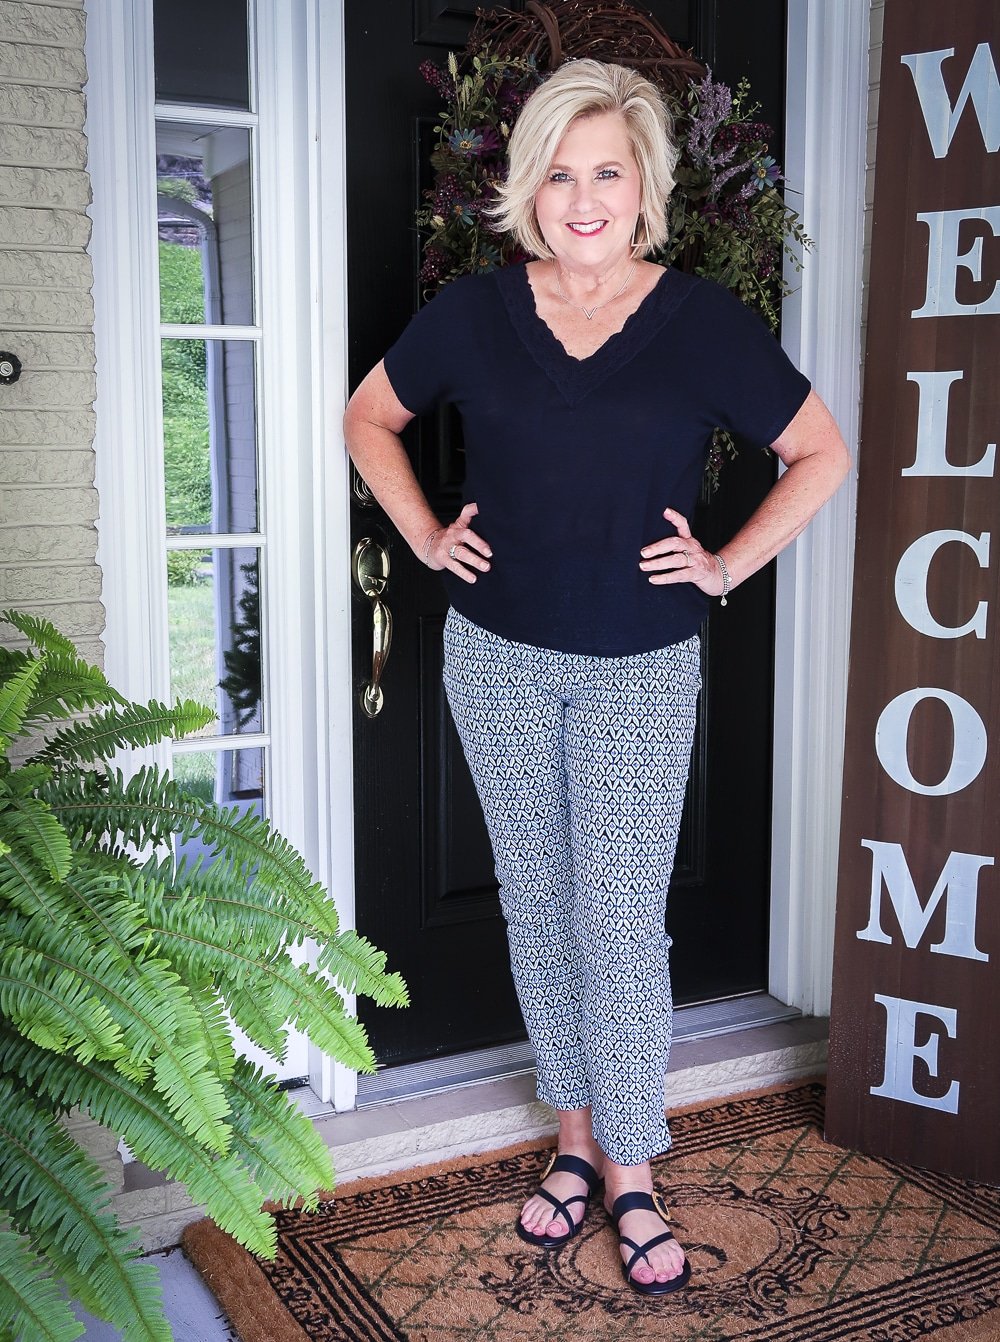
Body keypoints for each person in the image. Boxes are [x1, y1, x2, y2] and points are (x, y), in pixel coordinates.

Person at [343, 57, 850, 1298]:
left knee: (619, 919)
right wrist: (422, 534)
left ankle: (632, 1162)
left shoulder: (701, 324)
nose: (583, 200)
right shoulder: (473, 315)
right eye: (560, 174)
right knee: (537, 903)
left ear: (643, 187)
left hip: (639, 667)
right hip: (497, 657)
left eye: (606, 173)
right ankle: (570, 1137)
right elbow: (369, 417)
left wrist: (725, 564)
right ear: (529, 187)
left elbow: (820, 451)